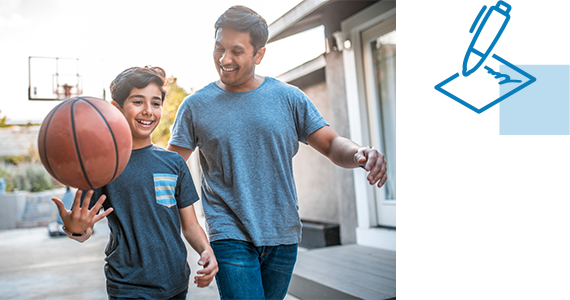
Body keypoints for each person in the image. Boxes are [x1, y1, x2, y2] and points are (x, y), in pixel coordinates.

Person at [167, 5, 387, 300]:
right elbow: (170, 170)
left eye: (236, 51)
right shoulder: (195, 107)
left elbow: (332, 144)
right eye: (218, 48)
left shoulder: (289, 98)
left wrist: (360, 152)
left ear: (259, 54)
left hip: (282, 233)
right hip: (228, 233)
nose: (224, 59)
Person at [51, 66, 218, 300]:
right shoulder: (102, 166)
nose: (148, 111)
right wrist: (74, 228)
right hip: (128, 285)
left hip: (176, 282)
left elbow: (189, 225)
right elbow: (85, 228)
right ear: (116, 109)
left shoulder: (174, 163)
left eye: (156, 103)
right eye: (138, 102)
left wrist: (205, 250)